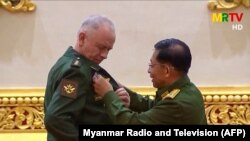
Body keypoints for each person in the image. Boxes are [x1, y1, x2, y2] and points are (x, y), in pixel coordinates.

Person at [93, 38, 207, 124]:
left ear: (166, 70)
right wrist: (122, 90)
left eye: (152, 65)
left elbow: (132, 123)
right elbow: (154, 107)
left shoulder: (177, 104)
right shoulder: (187, 89)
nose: (149, 70)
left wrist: (108, 94)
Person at [44, 15, 120, 141]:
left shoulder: (67, 62)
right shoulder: (76, 72)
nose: (105, 55)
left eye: (108, 49)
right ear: (82, 38)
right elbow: (56, 119)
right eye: (101, 47)